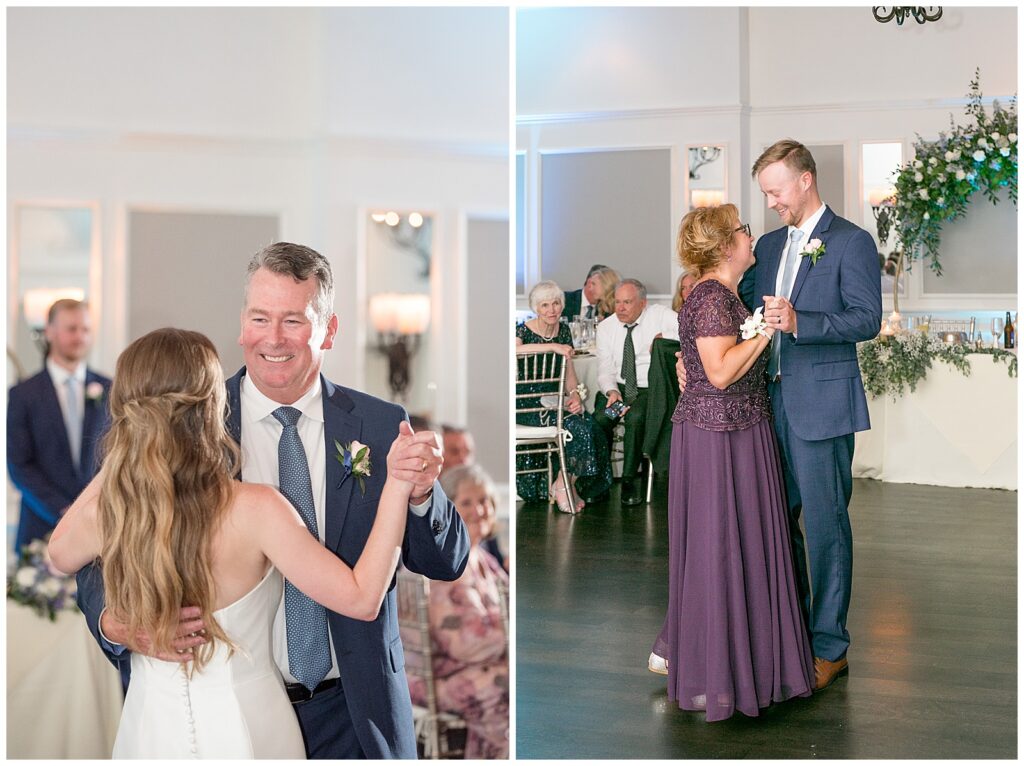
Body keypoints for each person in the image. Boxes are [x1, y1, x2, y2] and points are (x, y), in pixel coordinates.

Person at [75, 243, 470, 758]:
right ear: (242, 324)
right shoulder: (186, 424)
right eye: (260, 318)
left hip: (356, 711)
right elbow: (98, 551)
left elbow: (446, 560)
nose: (273, 338)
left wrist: (420, 493)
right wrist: (115, 621)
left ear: (328, 329)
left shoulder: (377, 424)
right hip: (226, 710)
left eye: (294, 321)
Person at [651, 204, 814, 722]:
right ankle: (722, 667)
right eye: (743, 231)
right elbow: (720, 374)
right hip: (719, 438)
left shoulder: (719, 295)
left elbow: (701, 362)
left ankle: (720, 655)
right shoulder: (712, 297)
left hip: (738, 431)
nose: (750, 236)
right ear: (726, 247)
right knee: (722, 545)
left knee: (735, 544)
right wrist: (765, 332)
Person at [739, 140, 881, 690]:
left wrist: (802, 322)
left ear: (805, 180)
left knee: (826, 527)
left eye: (775, 190)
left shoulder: (851, 241)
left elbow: (866, 319)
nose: (771, 201)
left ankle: (830, 645)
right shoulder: (770, 245)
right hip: (768, 404)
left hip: (823, 406)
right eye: (765, 193)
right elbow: (738, 301)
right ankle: (792, 630)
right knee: (780, 523)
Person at [407, 464, 509, 759]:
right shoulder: (443, 564)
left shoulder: (481, 557)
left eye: (485, 501)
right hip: (434, 679)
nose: (480, 510)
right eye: (467, 502)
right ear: (447, 509)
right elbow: (466, 645)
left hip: (472, 668)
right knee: (500, 686)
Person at [7, 299, 112, 551]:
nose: (80, 337)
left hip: (98, 526)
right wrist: (62, 509)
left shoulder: (110, 389)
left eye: (85, 330)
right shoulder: (23, 394)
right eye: (71, 329)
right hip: (40, 524)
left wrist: (92, 509)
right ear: (50, 331)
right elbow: (19, 464)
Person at [515, 281, 612, 512]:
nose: (552, 310)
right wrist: (553, 348)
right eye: (545, 305)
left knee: (593, 427)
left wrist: (575, 396)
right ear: (536, 308)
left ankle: (564, 482)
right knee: (578, 429)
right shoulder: (523, 330)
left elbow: (569, 373)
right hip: (529, 404)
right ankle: (563, 488)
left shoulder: (564, 330)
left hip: (556, 400)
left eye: (556, 303)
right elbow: (513, 350)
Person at [592, 279, 677, 506]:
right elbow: (604, 368)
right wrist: (611, 391)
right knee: (602, 419)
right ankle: (600, 479)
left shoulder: (658, 314)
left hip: (647, 388)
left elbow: (687, 328)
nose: (620, 308)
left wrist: (665, 336)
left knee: (636, 417)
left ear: (642, 303)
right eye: (618, 302)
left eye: (627, 302)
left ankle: (629, 480)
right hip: (618, 389)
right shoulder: (606, 327)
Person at [440, 424, 506, 570]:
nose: (464, 460)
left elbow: (498, 560)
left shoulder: (481, 498)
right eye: (454, 451)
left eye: (468, 452)